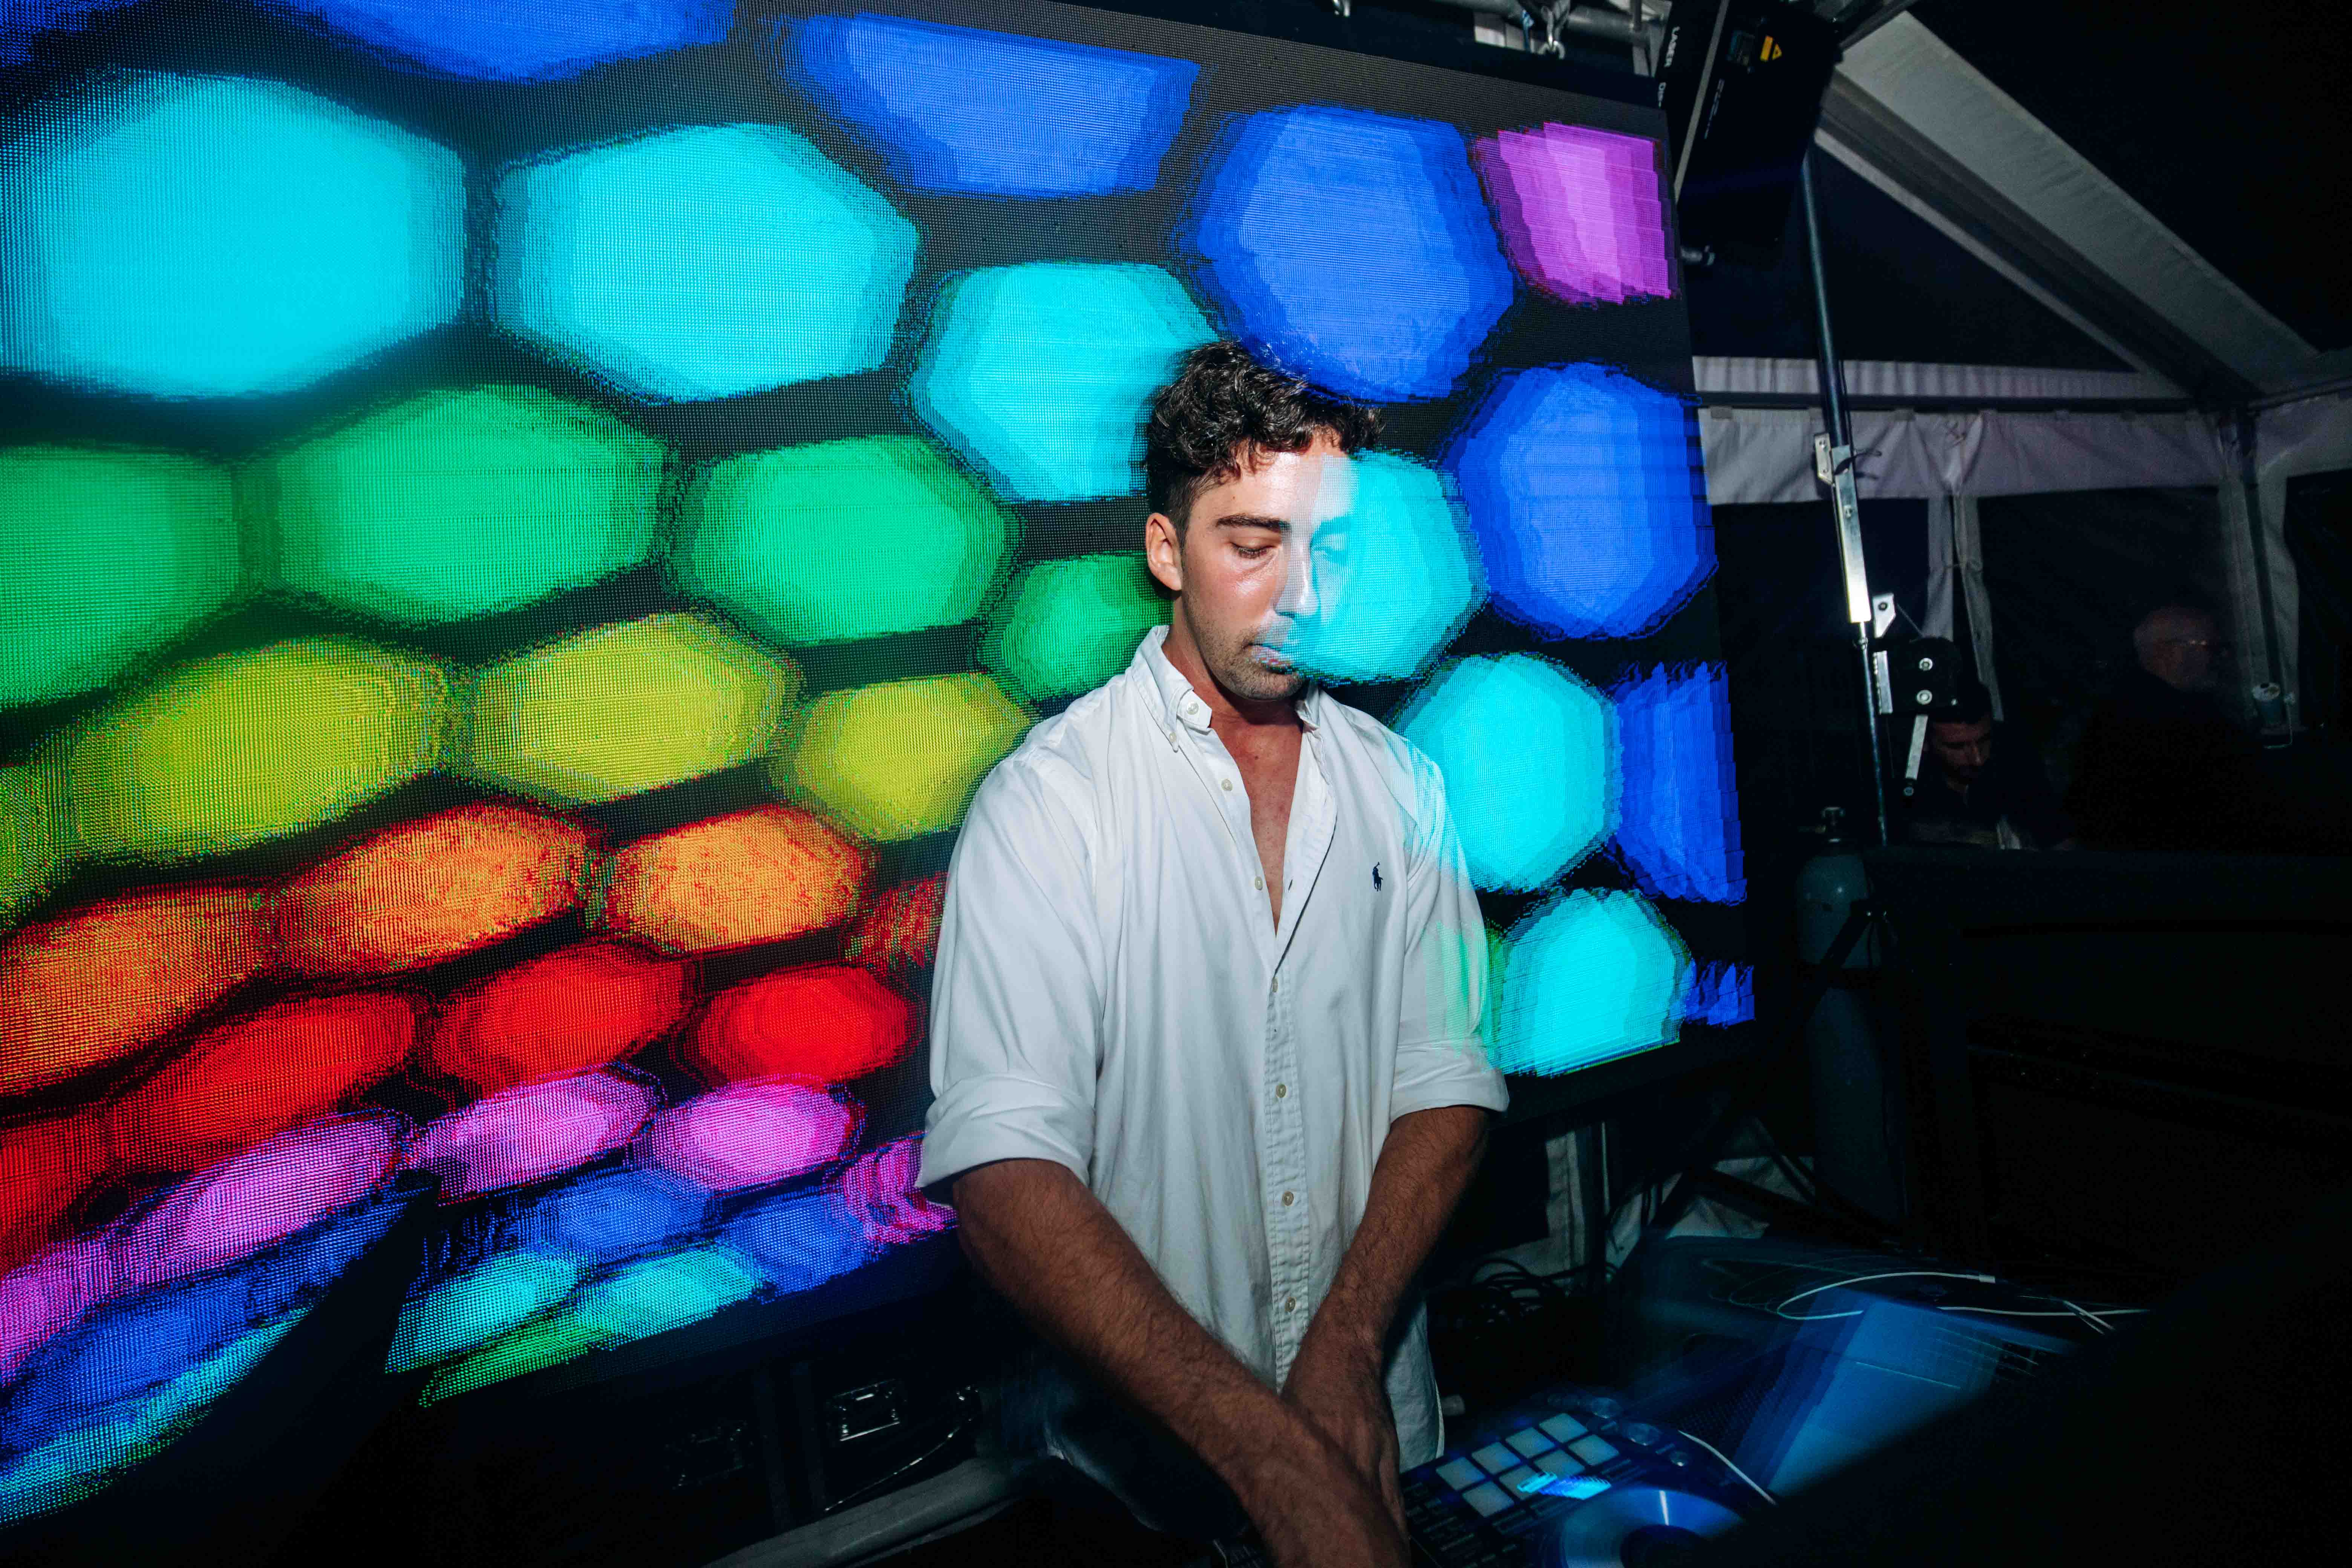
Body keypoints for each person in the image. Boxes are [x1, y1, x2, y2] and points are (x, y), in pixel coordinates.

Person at [917, 343, 1506, 1568]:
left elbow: (1446, 1081)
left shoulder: (1405, 786)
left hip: (1380, 1444)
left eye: (1329, 549)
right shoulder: (1051, 805)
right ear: (1167, 551)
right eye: (1252, 543)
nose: (1299, 593)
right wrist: (1272, 1458)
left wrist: (1346, 1348)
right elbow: (1002, 1171)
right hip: (1140, 1501)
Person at [2066, 605, 2259, 850]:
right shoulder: (2156, 716)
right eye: (2209, 647)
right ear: (2169, 651)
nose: (2219, 658)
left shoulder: (2133, 705)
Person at [1897, 681, 2075, 849]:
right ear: (1923, 742)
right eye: (1957, 747)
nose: (1978, 759)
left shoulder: (2013, 754)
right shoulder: (1901, 776)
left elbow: (2057, 837)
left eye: (1984, 740)